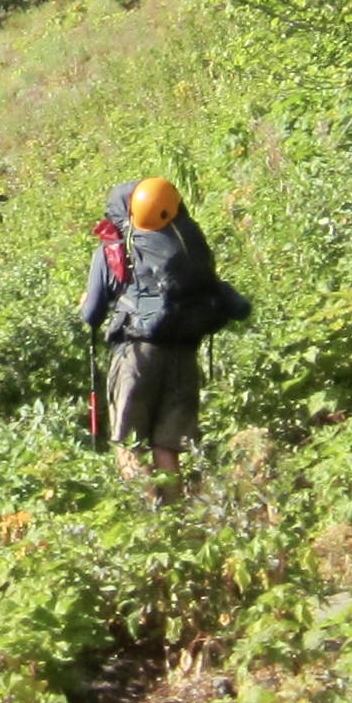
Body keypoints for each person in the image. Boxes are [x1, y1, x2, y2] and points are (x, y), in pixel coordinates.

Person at [83, 176, 232, 488]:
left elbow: (92, 315)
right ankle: (176, 513)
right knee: (167, 449)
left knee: (129, 446)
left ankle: (148, 512)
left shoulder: (114, 249)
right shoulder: (183, 246)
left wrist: (88, 304)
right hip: (184, 352)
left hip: (137, 353)